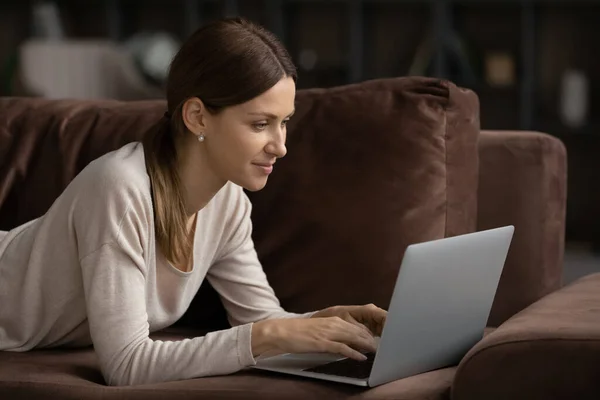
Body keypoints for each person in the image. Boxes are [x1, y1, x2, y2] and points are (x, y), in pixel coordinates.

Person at [0, 17, 387, 386]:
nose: (281, 146)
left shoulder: (229, 203)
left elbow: (261, 320)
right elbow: (127, 365)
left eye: (284, 121)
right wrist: (269, 334)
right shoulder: (120, 188)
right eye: (260, 124)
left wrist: (328, 325)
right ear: (198, 117)